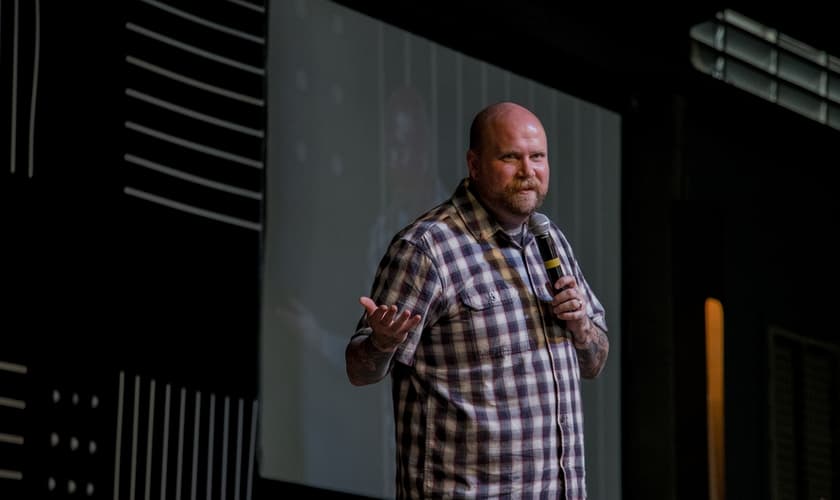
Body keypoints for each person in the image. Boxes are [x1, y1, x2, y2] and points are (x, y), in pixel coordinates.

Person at [345, 101, 609, 499]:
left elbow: (595, 361)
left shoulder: (550, 241)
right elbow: (359, 370)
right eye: (510, 157)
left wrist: (581, 328)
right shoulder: (427, 249)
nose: (528, 171)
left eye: (537, 157)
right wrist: (381, 342)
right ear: (475, 164)